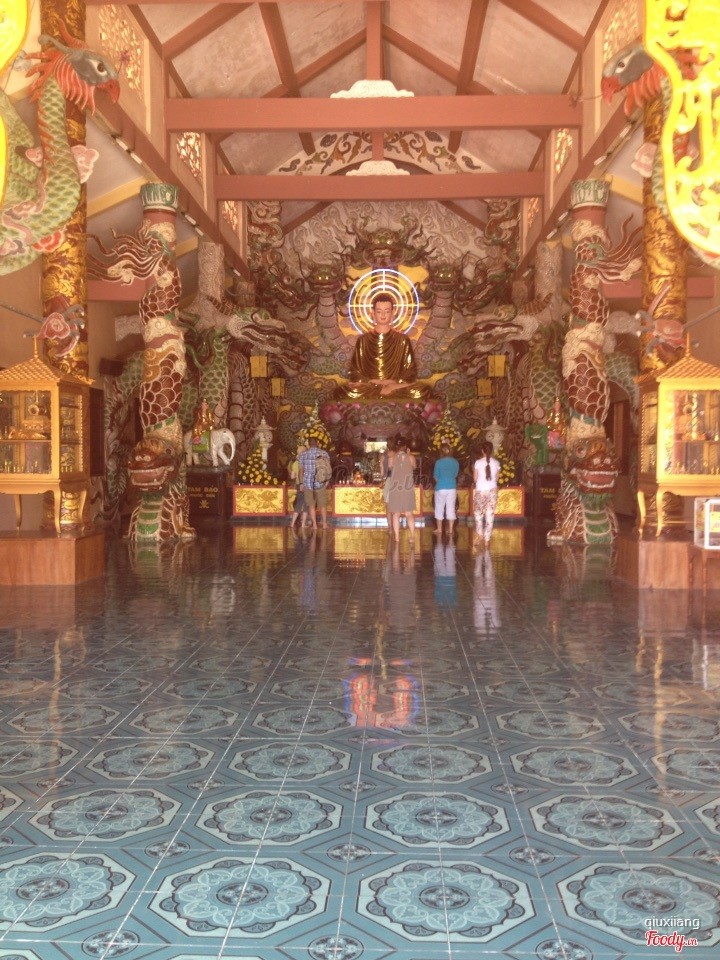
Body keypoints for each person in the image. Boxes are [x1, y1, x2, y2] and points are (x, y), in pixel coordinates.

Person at [338, 294, 427, 400]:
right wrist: (373, 382)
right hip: (370, 385)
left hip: (394, 385)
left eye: (387, 311)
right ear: (373, 313)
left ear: (393, 312)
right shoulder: (363, 340)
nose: (383, 315)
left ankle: (385, 391)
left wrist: (393, 383)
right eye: (379, 311)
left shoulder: (402, 340)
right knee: (342, 391)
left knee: (423, 390)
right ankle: (384, 391)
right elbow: (355, 372)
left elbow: (410, 371)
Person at [386, 438, 416, 541]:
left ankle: (397, 537)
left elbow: (390, 468)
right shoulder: (411, 457)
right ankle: (412, 536)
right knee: (409, 513)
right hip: (408, 487)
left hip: (395, 487)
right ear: (405, 447)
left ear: (396, 447)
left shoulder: (391, 458)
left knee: (396, 513)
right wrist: (409, 454)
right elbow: (414, 467)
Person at [298, 437, 331, 530]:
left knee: (311, 505)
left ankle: (315, 525)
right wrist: (327, 481)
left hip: (308, 483)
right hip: (321, 482)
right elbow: (328, 469)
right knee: (323, 505)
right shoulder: (324, 453)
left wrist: (301, 484)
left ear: (308, 444)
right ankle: (324, 524)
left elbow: (301, 471)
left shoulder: (303, 455)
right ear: (317, 443)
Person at [473, 440, 500, 547]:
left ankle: (480, 535)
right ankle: (487, 540)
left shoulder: (478, 463)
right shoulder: (496, 463)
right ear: (491, 451)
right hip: (492, 491)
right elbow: (497, 479)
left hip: (480, 491)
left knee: (478, 514)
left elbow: (475, 479)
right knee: (490, 515)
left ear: (482, 450)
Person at [433, 442, 460, 537]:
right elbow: (455, 475)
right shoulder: (455, 462)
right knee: (451, 508)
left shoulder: (438, 462)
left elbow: (435, 476)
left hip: (440, 487)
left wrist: (441, 481)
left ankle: (439, 529)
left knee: (439, 507)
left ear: (441, 451)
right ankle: (451, 529)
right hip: (452, 487)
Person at [289, 444, 308, 531]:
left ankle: (292, 523)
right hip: (305, 485)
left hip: (297, 484)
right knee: (306, 505)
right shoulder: (305, 463)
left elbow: (292, 477)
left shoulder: (295, 463)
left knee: (298, 504)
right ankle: (303, 524)